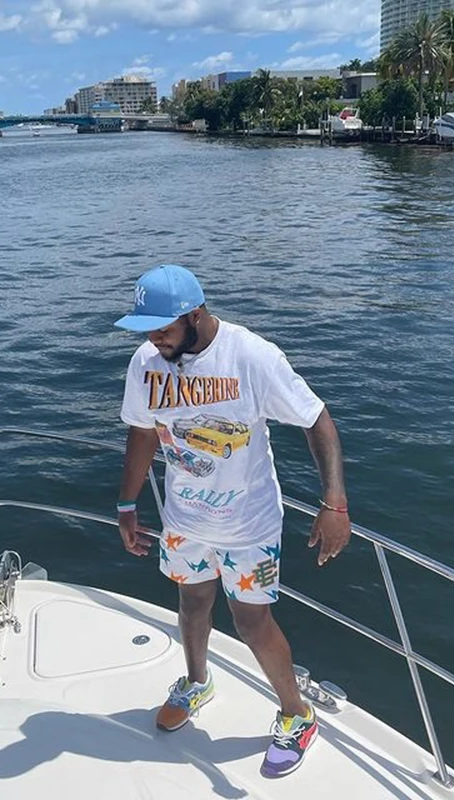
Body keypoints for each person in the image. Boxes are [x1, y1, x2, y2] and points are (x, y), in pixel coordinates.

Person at [114, 264, 351, 779]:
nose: (153, 339)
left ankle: (297, 714)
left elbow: (316, 419)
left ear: (195, 315)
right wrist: (127, 505)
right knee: (191, 603)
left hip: (250, 526)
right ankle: (197, 682)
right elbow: (143, 431)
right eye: (147, 330)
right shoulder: (146, 362)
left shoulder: (252, 356)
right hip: (184, 521)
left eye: (163, 329)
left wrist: (334, 503)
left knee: (251, 622)